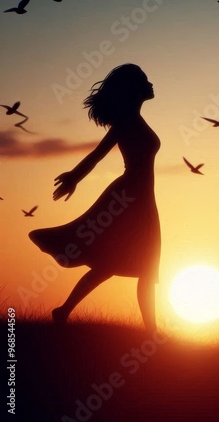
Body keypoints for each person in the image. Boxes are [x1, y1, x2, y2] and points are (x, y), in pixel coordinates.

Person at [29, 64, 161, 332]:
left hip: (142, 197)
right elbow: (97, 155)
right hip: (129, 198)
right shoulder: (125, 122)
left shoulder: (134, 119)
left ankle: (63, 311)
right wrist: (74, 177)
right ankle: (152, 333)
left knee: (118, 263)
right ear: (134, 90)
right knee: (134, 263)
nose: (151, 84)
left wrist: (75, 177)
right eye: (144, 80)